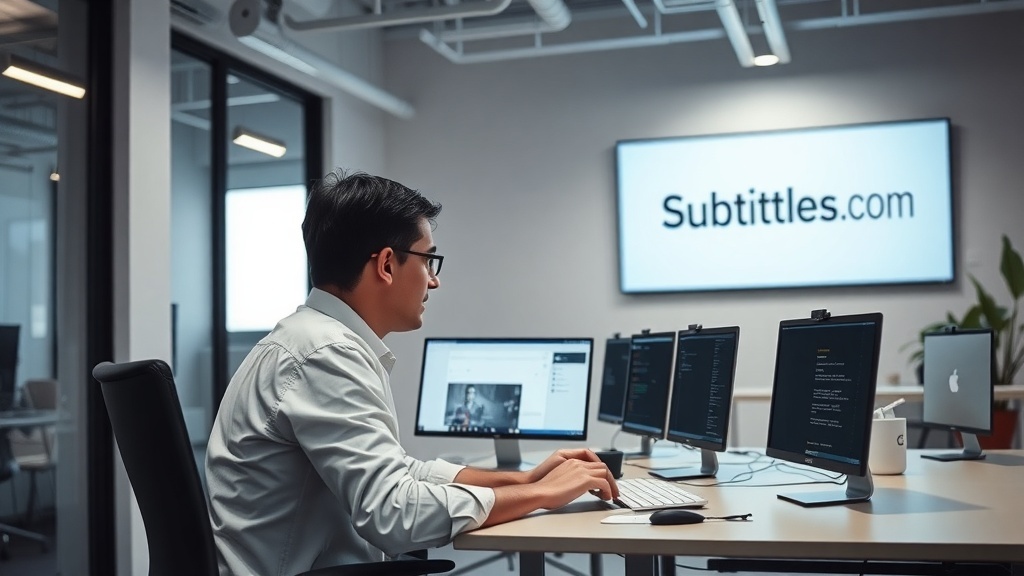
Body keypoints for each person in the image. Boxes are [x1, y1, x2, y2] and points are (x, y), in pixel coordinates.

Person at [205, 170, 618, 576]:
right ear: (387, 264)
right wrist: (542, 494)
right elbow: (393, 514)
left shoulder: (313, 340)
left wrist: (522, 481)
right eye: (428, 261)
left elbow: (398, 470)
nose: (433, 282)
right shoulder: (327, 354)